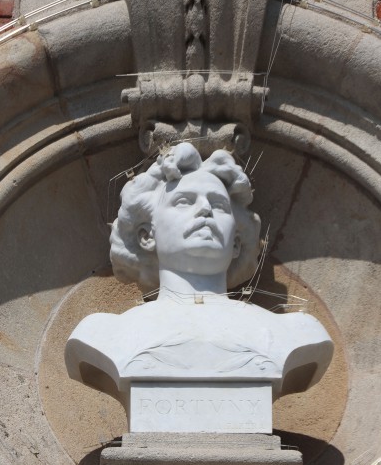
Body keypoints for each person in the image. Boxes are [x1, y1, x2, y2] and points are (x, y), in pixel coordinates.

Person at [65, 143, 333, 420]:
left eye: (218, 205)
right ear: (147, 236)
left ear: (237, 243)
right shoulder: (104, 333)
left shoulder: (294, 332)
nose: (205, 210)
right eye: (184, 201)